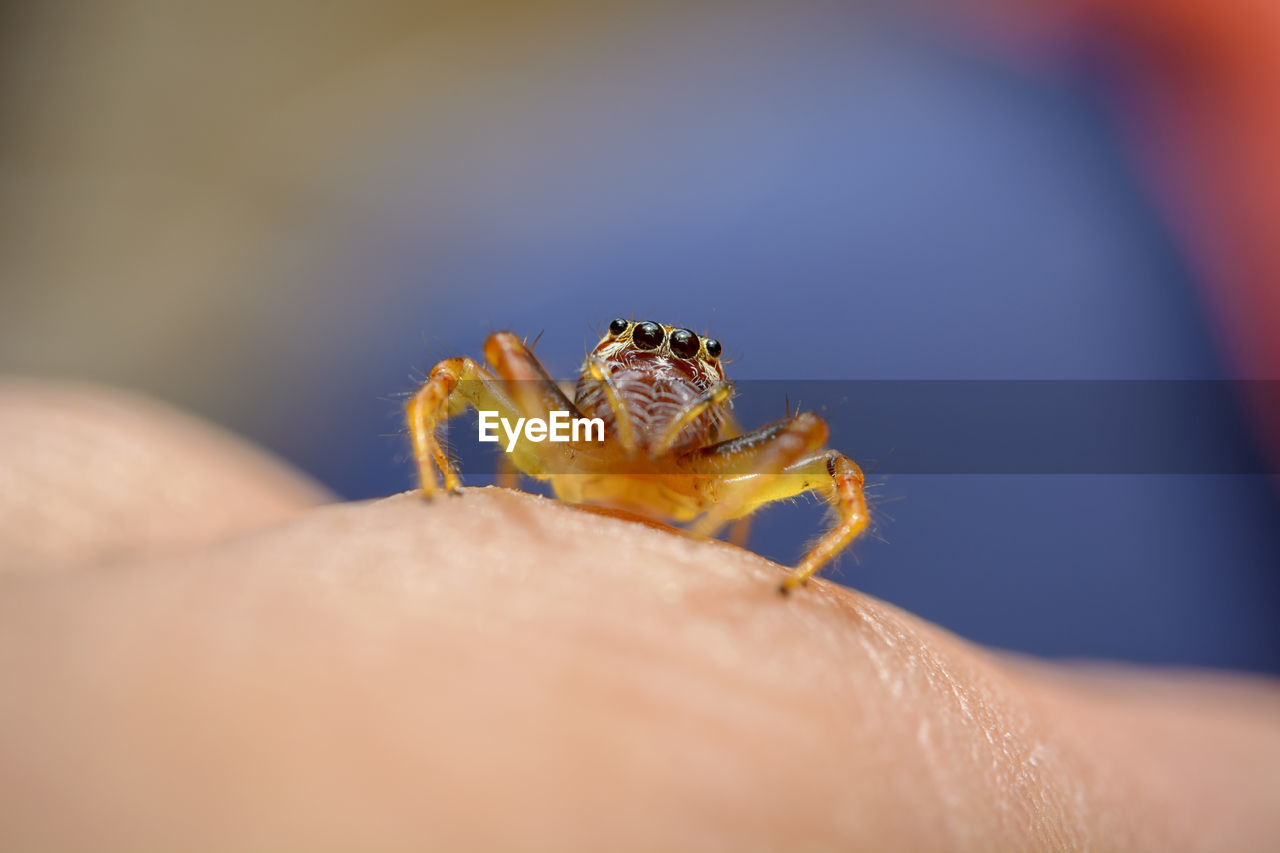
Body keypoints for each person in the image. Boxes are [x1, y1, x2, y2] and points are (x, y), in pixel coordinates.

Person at [2, 379, 1277, 850]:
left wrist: (762, 547)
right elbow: (472, 386)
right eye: (635, 367)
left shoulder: (720, 454)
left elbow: (824, 464)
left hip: (683, 510)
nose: (656, 383)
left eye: (684, 376)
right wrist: (452, 476)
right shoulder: (559, 421)